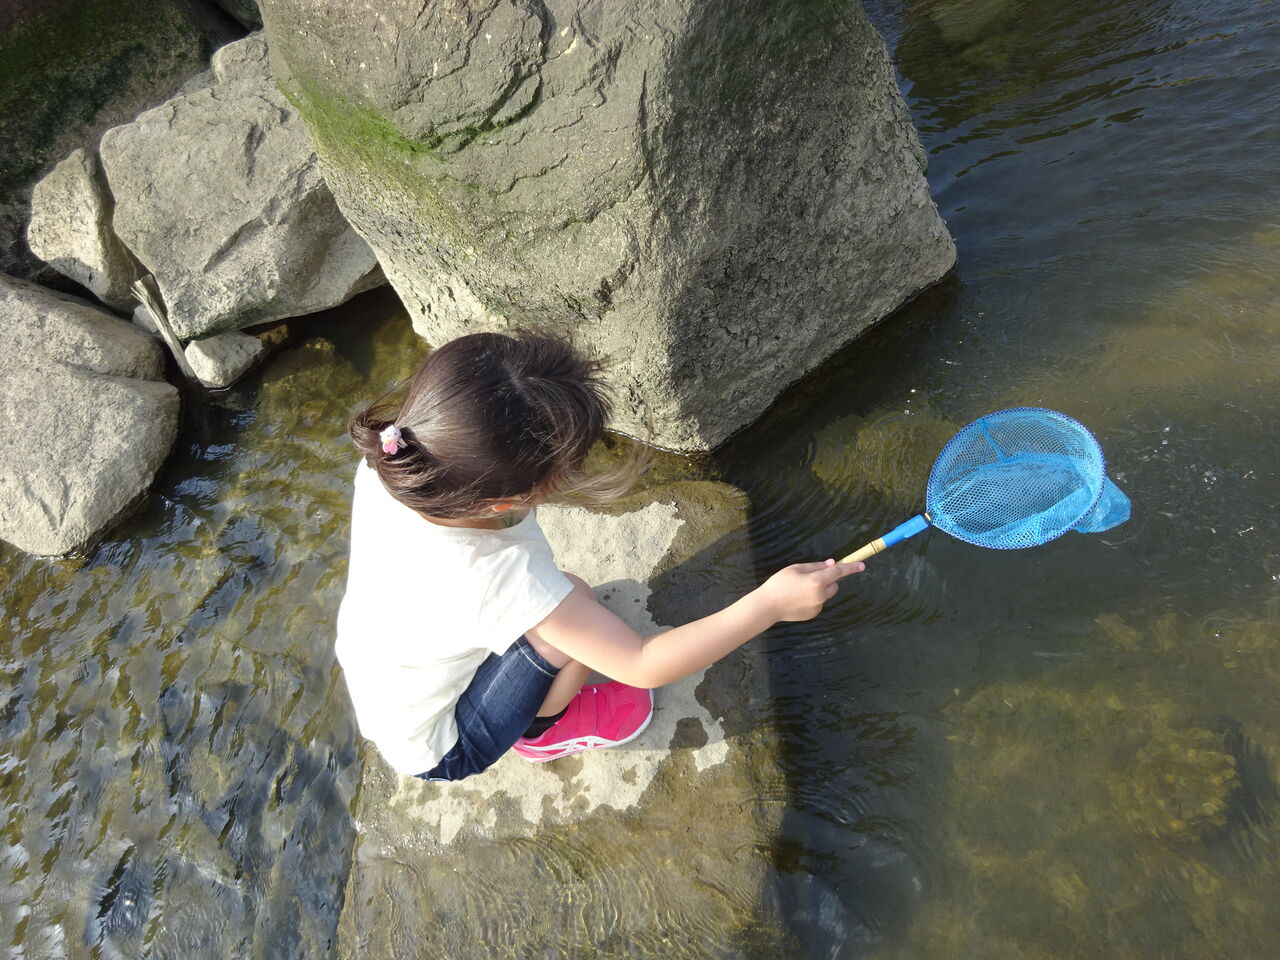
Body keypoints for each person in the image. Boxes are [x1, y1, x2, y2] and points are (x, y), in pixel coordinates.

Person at [334, 329, 864, 782]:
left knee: (572, 600)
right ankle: (541, 732)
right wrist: (769, 604)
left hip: (388, 672)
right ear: (503, 501)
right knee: (568, 613)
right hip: (442, 744)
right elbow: (642, 664)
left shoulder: (404, 461)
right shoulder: (499, 577)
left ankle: (529, 698)